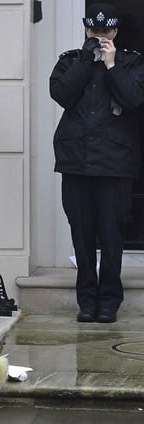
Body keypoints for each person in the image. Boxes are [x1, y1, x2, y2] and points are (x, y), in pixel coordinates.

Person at [50, 2, 144, 324]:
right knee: (82, 233)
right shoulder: (69, 62)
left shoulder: (131, 63)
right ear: (86, 30)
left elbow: (133, 99)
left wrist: (112, 64)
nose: (99, 36)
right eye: (94, 31)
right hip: (76, 161)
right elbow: (61, 94)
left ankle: (109, 302)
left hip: (114, 163)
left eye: (105, 31)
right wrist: (86, 60)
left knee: (112, 233)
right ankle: (87, 302)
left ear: (115, 32)